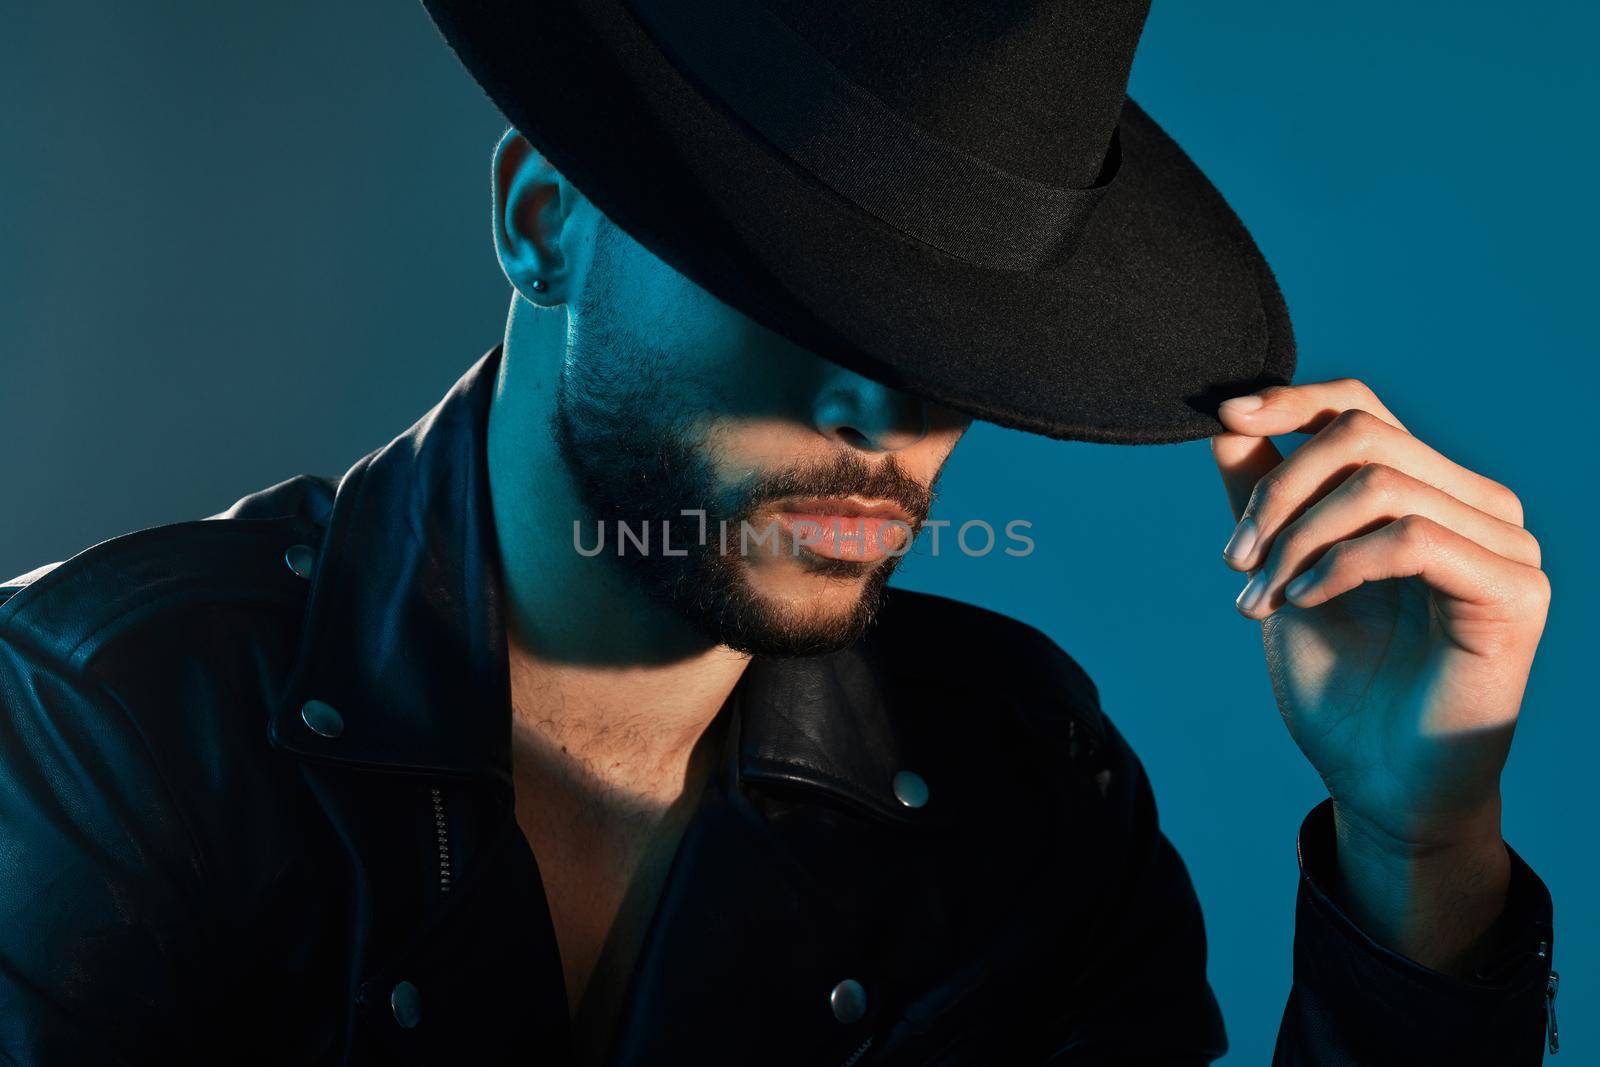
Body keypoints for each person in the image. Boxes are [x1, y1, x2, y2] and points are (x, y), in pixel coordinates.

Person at [0, 0, 1558, 1063]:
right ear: (545, 223)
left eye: (954, 343)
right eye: (797, 291)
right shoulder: (97, 730)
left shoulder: (1026, 790)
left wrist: (1419, 851)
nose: (885, 418)